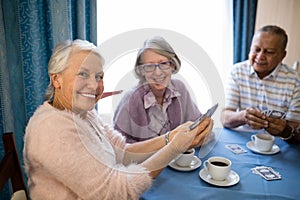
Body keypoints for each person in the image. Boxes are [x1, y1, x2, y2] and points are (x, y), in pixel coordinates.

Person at [23, 39, 213, 199]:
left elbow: (123, 152)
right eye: (83, 73)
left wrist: (169, 137)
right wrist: (174, 148)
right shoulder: (52, 130)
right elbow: (117, 192)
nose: (94, 85)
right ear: (56, 79)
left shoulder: (84, 114)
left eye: (99, 76)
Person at [113, 36, 209, 143]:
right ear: (142, 70)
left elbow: (198, 124)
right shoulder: (130, 99)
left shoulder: (179, 89)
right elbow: (118, 148)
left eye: (163, 63)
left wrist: (204, 129)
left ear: (172, 65)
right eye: (149, 66)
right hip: (144, 160)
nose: (158, 72)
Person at [221, 25, 300, 143]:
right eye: (256, 49)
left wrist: (284, 130)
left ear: (282, 56)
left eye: (269, 52)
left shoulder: (295, 80)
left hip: (279, 145)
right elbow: (224, 117)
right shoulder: (237, 72)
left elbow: (296, 128)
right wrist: (243, 116)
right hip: (241, 140)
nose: (260, 56)